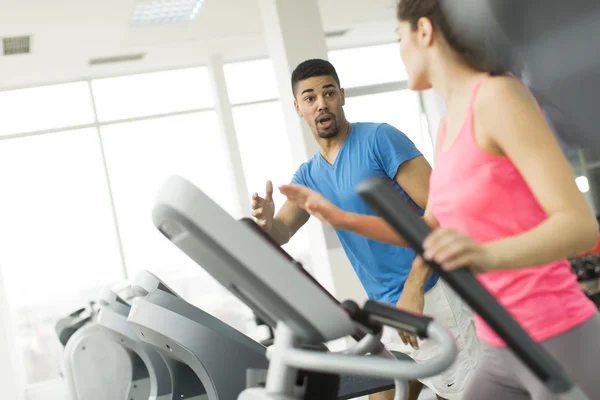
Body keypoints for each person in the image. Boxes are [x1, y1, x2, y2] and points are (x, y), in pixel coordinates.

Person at [279, 1, 600, 398]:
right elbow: (427, 226)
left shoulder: (498, 96)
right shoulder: (450, 125)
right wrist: (342, 220)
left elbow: (582, 228)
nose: (398, 51)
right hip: (500, 342)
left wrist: (482, 257)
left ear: (425, 33)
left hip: (553, 332)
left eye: (399, 37)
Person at [251, 58, 480, 400]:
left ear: (341, 96)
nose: (321, 103)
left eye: (328, 93)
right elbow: (281, 231)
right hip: (386, 310)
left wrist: (415, 285)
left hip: (431, 292)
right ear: (298, 108)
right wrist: (267, 225)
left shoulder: (379, 139)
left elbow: (442, 209)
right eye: (310, 98)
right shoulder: (309, 175)